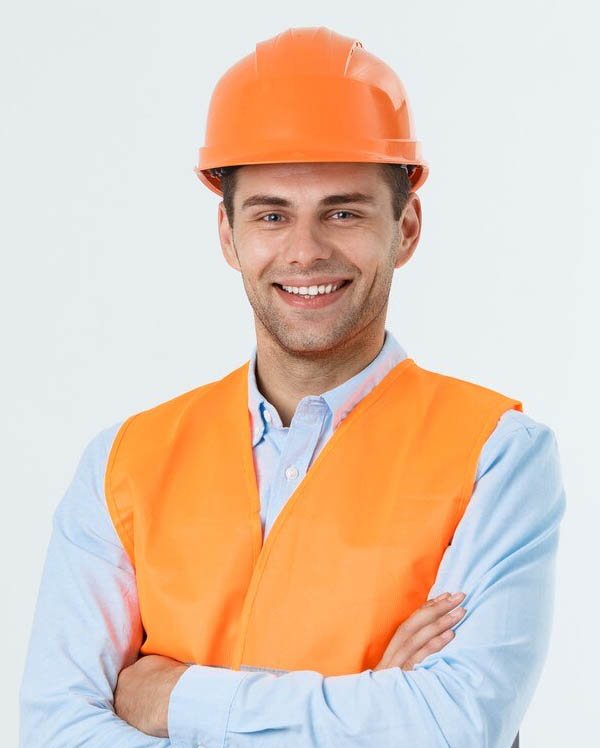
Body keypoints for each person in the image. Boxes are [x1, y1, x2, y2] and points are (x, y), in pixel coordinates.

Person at [19, 26, 565, 747]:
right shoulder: (122, 464)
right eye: (272, 215)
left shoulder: (497, 454)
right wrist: (373, 705)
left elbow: (454, 723)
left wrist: (176, 697)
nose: (305, 251)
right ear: (228, 234)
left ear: (406, 227)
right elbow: (56, 730)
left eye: (343, 212)